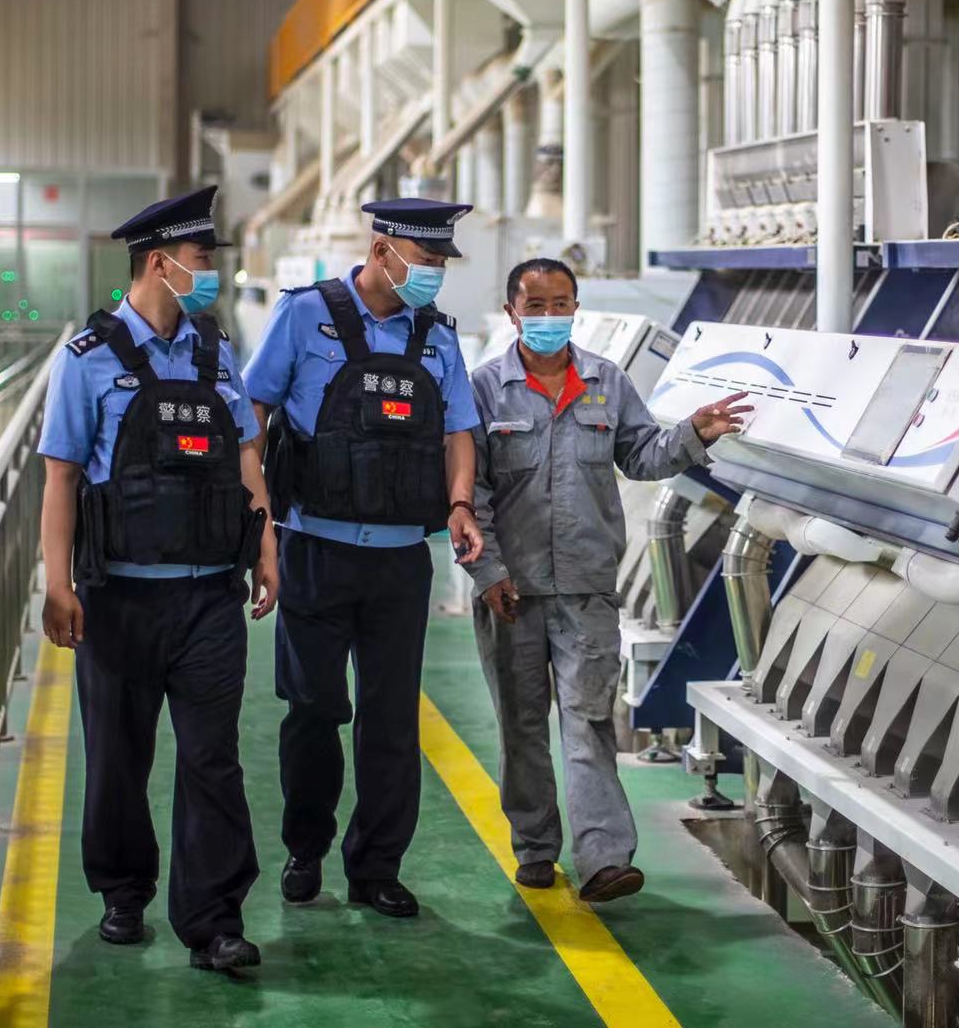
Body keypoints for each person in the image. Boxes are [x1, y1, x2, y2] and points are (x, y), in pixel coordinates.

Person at [37, 184, 277, 973]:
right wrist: (57, 582)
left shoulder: (215, 351)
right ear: (158, 263)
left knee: (213, 758)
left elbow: (246, 452)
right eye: (201, 259)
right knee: (118, 757)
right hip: (120, 597)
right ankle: (122, 889)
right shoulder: (86, 359)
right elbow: (62, 477)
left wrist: (266, 544)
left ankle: (213, 922)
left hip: (209, 595)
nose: (210, 274)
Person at [462, 258, 749, 903]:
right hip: (509, 591)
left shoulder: (606, 381)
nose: (548, 316)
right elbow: (467, 492)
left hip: (586, 588)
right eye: (535, 306)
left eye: (560, 304)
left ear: (576, 308)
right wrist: (487, 572)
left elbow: (641, 455)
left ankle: (604, 859)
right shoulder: (483, 389)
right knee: (521, 726)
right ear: (512, 312)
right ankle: (535, 846)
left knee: (589, 722)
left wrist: (693, 434)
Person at [245, 198, 485, 920]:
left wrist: (461, 503)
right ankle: (305, 849)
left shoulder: (436, 336)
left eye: (441, 263)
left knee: (390, 721)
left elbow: (459, 431)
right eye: (427, 261)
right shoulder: (303, 315)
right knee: (313, 711)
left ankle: (377, 867)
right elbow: (253, 411)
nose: (434, 274)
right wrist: (257, 515)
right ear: (383, 251)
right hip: (314, 549)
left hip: (400, 563)